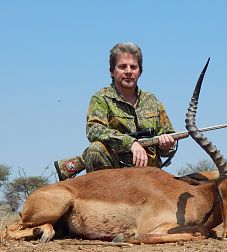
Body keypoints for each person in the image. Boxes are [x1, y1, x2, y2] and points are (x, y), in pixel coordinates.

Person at [54, 42, 176, 181]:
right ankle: (103, 199)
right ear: (112, 71)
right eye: (122, 66)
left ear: (140, 72)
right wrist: (130, 143)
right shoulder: (101, 98)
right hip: (114, 174)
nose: (128, 71)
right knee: (96, 149)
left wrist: (167, 144)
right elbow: (94, 130)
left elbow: (168, 146)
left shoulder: (152, 100)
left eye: (133, 67)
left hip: (148, 174)